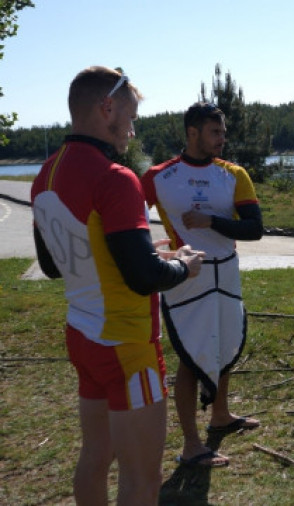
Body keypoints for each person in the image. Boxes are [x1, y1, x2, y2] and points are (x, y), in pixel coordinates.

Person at [30, 66, 204, 505]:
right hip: (127, 346)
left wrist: (146, 256)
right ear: (106, 107)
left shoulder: (45, 175)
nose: (132, 126)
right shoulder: (115, 176)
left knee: (95, 457)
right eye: (129, 114)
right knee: (142, 479)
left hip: (83, 337)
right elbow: (144, 278)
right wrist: (183, 265)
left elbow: (56, 264)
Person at [141, 102, 264, 468]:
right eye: (214, 132)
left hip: (226, 271)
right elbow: (127, 224)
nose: (222, 139)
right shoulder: (157, 177)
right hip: (187, 277)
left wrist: (210, 220)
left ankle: (220, 414)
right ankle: (192, 445)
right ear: (192, 132)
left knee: (225, 344)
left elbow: (255, 228)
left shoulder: (234, 174)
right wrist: (153, 252)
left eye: (223, 132)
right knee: (191, 358)